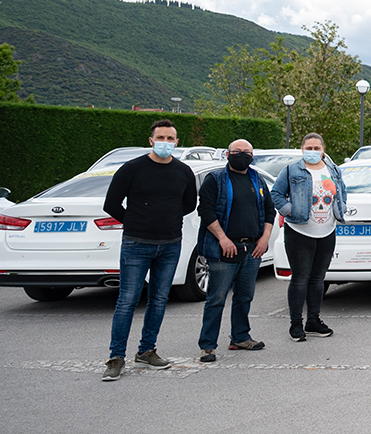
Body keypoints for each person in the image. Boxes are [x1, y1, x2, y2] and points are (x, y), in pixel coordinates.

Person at [100, 119, 197, 381]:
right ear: (151, 140)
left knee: (158, 300)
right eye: (161, 138)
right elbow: (111, 204)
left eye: (170, 139)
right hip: (136, 244)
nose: (165, 143)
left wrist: (166, 220)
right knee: (127, 301)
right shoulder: (132, 169)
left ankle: (146, 351)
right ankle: (116, 357)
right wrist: (134, 222)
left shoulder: (184, 171)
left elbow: (188, 204)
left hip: (169, 244)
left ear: (177, 142)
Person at [196, 139, 276, 361]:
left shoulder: (257, 179)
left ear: (252, 155)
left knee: (244, 296)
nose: (242, 155)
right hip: (225, 249)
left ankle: (240, 337)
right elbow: (206, 211)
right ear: (228, 154)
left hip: (252, 249)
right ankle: (208, 346)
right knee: (216, 297)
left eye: (247, 152)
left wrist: (264, 238)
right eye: (237, 152)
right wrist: (222, 238)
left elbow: (270, 210)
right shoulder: (216, 180)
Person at [270, 133, 346, 341]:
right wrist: (289, 210)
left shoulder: (333, 170)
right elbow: (276, 194)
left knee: (318, 278)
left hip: (327, 232)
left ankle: (313, 320)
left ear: (323, 149)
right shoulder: (291, 170)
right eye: (309, 148)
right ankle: (296, 324)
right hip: (299, 232)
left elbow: (342, 192)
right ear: (302, 148)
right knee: (300, 278)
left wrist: (341, 209)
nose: (312, 152)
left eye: (316, 148)